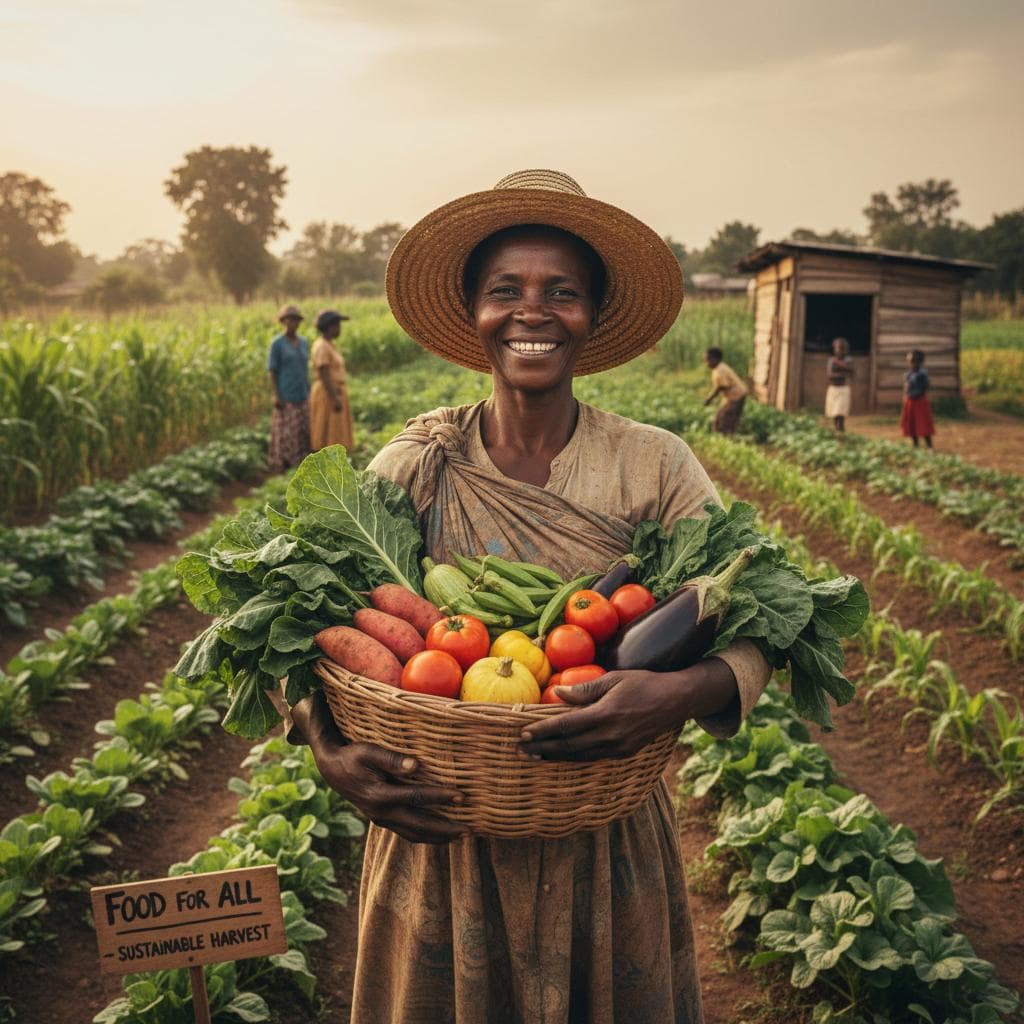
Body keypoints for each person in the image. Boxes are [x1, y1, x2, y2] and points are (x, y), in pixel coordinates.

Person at [289, 169, 771, 1024]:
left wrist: (676, 693)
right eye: (504, 290)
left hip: (605, 833)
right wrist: (327, 751)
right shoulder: (417, 462)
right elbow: (299, 615)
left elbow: (763, 612)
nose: (533, 311)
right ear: (473, 313)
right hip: (437, 836)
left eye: (563, 292)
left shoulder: (653, 463)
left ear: (592, 316)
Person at [267, 304, 311, 473]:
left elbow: (304, 367)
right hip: (286, 394)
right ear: (283, 321)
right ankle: (283, 463)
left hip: (302, 392)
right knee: (286, 432)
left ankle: (299, 461)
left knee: (302, 430)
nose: (293, 323)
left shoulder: (303, 342)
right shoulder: (277, 344)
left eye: (296, 320)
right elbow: (272, 370)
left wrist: (308, 387)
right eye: (289, 319)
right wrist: (276, 395)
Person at [309, 308, 355, 452]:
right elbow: (324, 372)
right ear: (330, 327)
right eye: (337, 325)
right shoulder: (321, 345)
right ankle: (326, 457)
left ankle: (335, 457)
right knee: (327, 428)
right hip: (328, 392)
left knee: (335, 428)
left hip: (335, 390)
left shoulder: (329, 344)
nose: (339, 329)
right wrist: (334, 397)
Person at [702, 345, 747, 434]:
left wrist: (709, 399)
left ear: (716, 359)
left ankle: (726, 436)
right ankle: (728, 434)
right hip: (734, 395)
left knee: (724, 418)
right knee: (725, 417)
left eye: (708, 360)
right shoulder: (719, 368)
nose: (707, 363)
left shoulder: (720, 370)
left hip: (736, 396)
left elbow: (722, 386)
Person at [900, 349, 935, 449]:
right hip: (910, 402)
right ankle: (916, 445)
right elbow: (906, 388)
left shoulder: (922, 374)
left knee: (923, 424)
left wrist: (914, 394)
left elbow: (925, 387)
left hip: (919, 402)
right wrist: (906, 396)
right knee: (912, 424)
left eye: (910, 360)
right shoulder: (908, 374)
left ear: (917, 361)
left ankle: (929, 446)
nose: (909, 362)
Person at [824, 336, 854, 432]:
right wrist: (843, 371)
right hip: (833, 389)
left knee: (840, 411)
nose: (840, 351)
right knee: (834, 412)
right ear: (834, 349)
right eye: (838, 348)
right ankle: (837, 428)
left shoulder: (848, 360)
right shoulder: (831, 360)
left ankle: (840, 427)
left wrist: (839, 368)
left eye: (842, 348)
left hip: (843, 389)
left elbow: (850, 371)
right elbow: (830, 375)